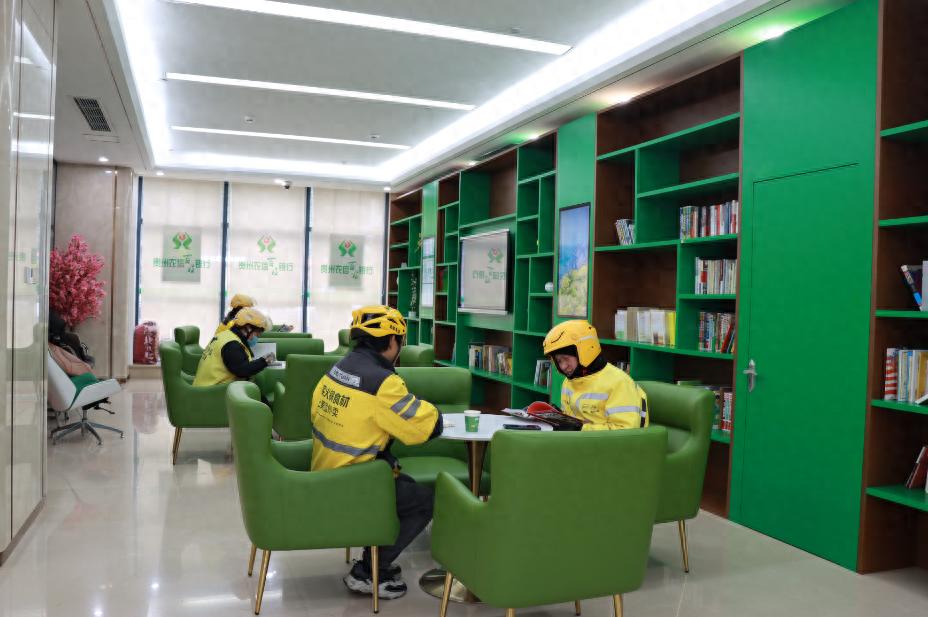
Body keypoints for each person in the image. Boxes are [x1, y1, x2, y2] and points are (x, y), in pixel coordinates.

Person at [310, 305, 442, 600]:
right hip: (355, 482)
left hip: (325, 471)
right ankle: (370, 572)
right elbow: (424, 428)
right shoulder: (383, 382)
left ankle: (374, 557)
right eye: (401, 342)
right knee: (423, 503)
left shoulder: (337, 369)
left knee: (406, 486)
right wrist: (435, 413)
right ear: (392, 341)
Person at [543, 319, 649, 430]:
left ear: (585, 350)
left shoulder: (620, 383)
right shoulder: (569, 382)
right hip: (581, 440)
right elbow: (574, 420)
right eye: (559, 361)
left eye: (566, 358)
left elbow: (625, 432)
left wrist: (579, 428)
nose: (563, 366)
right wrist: (559, 417)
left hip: (612, 442)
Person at [193, 307, 275, 386]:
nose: (257, 337)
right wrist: (265, 361)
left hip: (207, 386)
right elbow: (243, 371)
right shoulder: (232, 344)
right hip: (212, 391)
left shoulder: (225, 336)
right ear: (248, 329)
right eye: (257, 334)